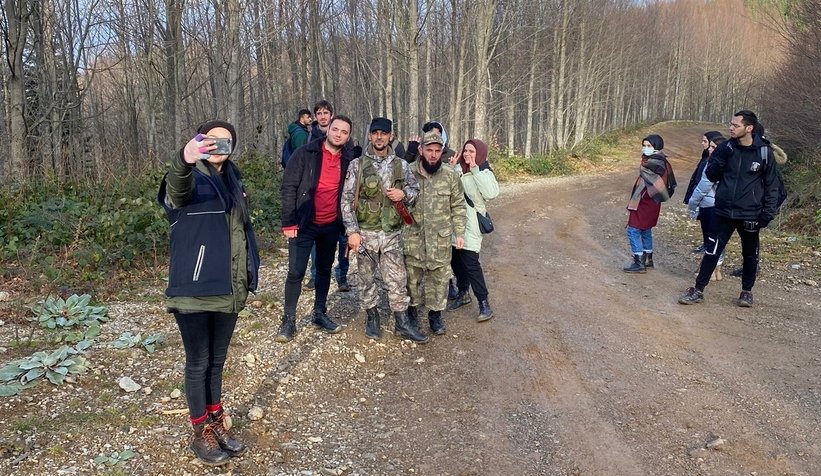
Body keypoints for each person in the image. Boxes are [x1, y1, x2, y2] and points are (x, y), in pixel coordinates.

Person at [157, 120, 259, 466]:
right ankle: (200, 430)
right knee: (198, 362)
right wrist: (183, 160)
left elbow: (241, 233)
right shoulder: (191, 176)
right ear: (201, 143)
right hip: (195, 288)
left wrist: (247, 276)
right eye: (212, 140)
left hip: (228, 289)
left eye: (226, 141)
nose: (219, 146)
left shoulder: (233, 180)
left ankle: (216, 420)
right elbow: (177, 189)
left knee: (217, 362)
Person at [679, 110, 783, 307]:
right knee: (712, 251)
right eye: (730, 124)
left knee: (750, 254)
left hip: (750, 213)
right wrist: (721, 157)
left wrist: (768, 214)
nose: (731, 128)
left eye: (735, 125)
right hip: (723, 211)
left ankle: (746, 292)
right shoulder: (726, 148)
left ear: (749, 128)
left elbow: (772, 186)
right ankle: (698, 289)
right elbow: (711, 175)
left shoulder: (763, 152)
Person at [341, 117, 428, 343]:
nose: (379, 137)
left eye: (384, 133)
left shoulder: (400, 164)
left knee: (397, 280)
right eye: (375, 133)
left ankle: (402, 323)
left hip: (392, 234)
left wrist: (403, 195)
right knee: (366, 279)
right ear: (369, 136)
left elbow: (415, 190)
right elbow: (347, 199)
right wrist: (352, 232)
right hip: (366, 234)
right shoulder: (357, 165)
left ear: (391, 136)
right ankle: (372, 317)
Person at [277, 115, 354, 342]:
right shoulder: (305, 154)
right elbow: (288, 187)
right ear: (327, 128)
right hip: (304, 223)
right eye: (336, 129)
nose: (339, 134)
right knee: (296, 272)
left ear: (348, 136)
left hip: (330, 224)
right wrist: (288, 221)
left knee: (324, 270)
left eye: (344, 132)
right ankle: (288, 320)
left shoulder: (348, 160)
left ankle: (319, 313)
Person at [403, 131, 466, 335]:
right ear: (420, 150)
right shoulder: (408, 172)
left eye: (437, 151)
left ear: (442, 153)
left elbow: (458, 205)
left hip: (439, 239)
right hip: (413, 238)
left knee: (439, 279)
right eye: (429, 150)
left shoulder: (450, 175)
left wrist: (459, 232)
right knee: (412, 279)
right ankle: (412, 312)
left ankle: (435, 316)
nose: (433, 155)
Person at [446, 139, 499, 322]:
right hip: (454, 225)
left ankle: (484, 303)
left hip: (471, 226)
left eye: (472, 151)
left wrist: (476, 169)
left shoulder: (484, 172)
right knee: (455, 261)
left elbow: (491, 194)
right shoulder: (459, 170)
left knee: (471, 264)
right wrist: (453, 169)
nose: (468, 154)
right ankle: (463, 293)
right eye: (466, 151)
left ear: (480, 154)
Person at [303, 100, 351, 292]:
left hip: (340, 202)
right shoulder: (309, 138)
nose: (323, 116)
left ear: (331, 115)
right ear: (316, 116)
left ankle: (342, 276)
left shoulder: (345, 138)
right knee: (317, 245)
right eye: (319, 113)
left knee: (343, 241)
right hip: (314, 205)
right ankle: (315, 276)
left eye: (326, 112)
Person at [623, 134, 676, 273]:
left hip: (646, 201)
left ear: (656, 147)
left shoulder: (654, 162)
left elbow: (654, 184)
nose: (645, 148)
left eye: (649, 146)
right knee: (645, 229)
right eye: (644, 145)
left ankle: (639, 261)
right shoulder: (662, 160)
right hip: (653, 201)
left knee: (633, 229)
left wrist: (645, 196)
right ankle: (648, 259)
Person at [687, 135, 727, 281]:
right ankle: (717, 269)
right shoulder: (731, 163)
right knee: (720, 240)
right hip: (724, 207)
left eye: (713, 147)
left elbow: (702, 188)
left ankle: (709, 271)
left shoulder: (712, 164)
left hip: (709, 206)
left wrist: (692, 205)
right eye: (709, 146)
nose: (709, 149)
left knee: (709, 240)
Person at [683, 130, 724, 253]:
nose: (703, 144)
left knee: (712, 232)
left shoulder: (714, 162)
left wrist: (693, 202)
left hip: (711, 202)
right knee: (705, 226)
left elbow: (704, 183)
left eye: (705, 141)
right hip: (706, 200)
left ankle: (710, 252)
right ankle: (707, 245)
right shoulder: (706, 158)